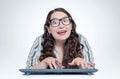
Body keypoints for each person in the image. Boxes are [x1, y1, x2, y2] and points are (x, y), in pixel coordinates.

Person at [26, 8, 95, 69]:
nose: (61, 26)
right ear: (48, 29)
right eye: (55, 22)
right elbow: (28, 68)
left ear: (71, 25)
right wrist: (44, 63)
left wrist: (81, 64)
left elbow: (92, 68)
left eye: (65, 21)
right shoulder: (40, 40)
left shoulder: (81, 39)